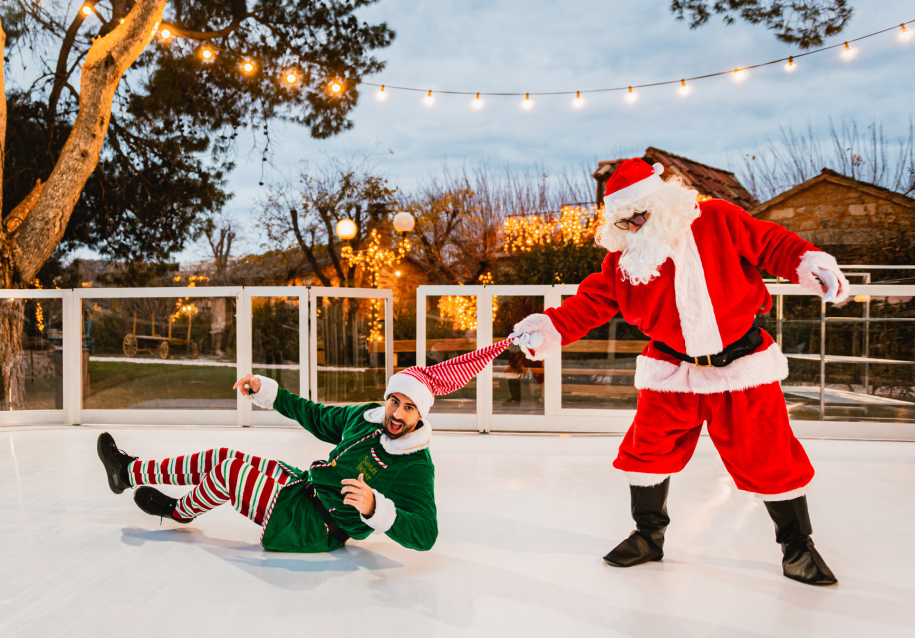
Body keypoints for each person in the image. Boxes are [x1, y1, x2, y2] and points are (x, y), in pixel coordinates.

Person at [510, 158, 848, 585]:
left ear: (664, 202)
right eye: (624, 222)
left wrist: (807, 263)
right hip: (671, 372)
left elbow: (772, 244)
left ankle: (798, 547)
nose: (633, 227)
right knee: (646, 452)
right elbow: (589, 303)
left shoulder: (719, 220)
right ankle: (648, 536)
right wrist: (550, 328)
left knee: (769, 454)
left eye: (640, 215)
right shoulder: (625, 262)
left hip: (741, 367)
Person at [96, 340, 510, 553]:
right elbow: (313, 414)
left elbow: (427, 534)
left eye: (409, 409)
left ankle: (176, 510)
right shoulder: (364, 418)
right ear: (387, 398)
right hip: (303, 488)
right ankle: (127, 472)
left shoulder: (415, 464)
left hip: (314, 527)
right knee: (223, 458)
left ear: (422, 416)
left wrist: (374, 508)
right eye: (395, 402)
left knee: (227, 475)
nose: (397, 414)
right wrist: (267, 391)